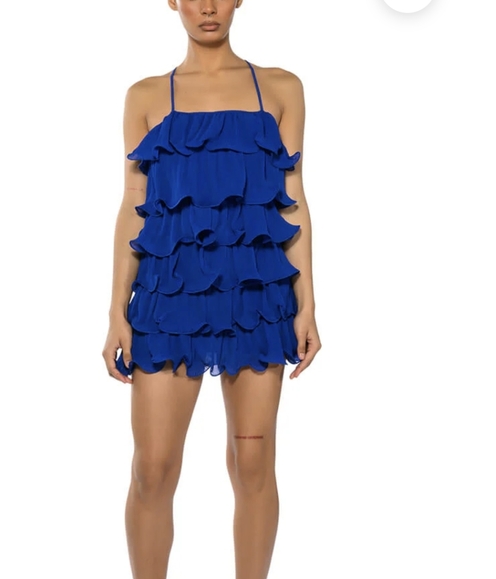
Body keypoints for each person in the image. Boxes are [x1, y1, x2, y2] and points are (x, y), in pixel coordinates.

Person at [102, 1, 321, 577]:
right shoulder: (146, 96)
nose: (207, 6)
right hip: (166, 298)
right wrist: (116, 310)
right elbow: (132, 205)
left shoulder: (282, 88)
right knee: (152, 470)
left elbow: (293, 198)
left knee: (253, 464)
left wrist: (307, 304)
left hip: (257, 296)